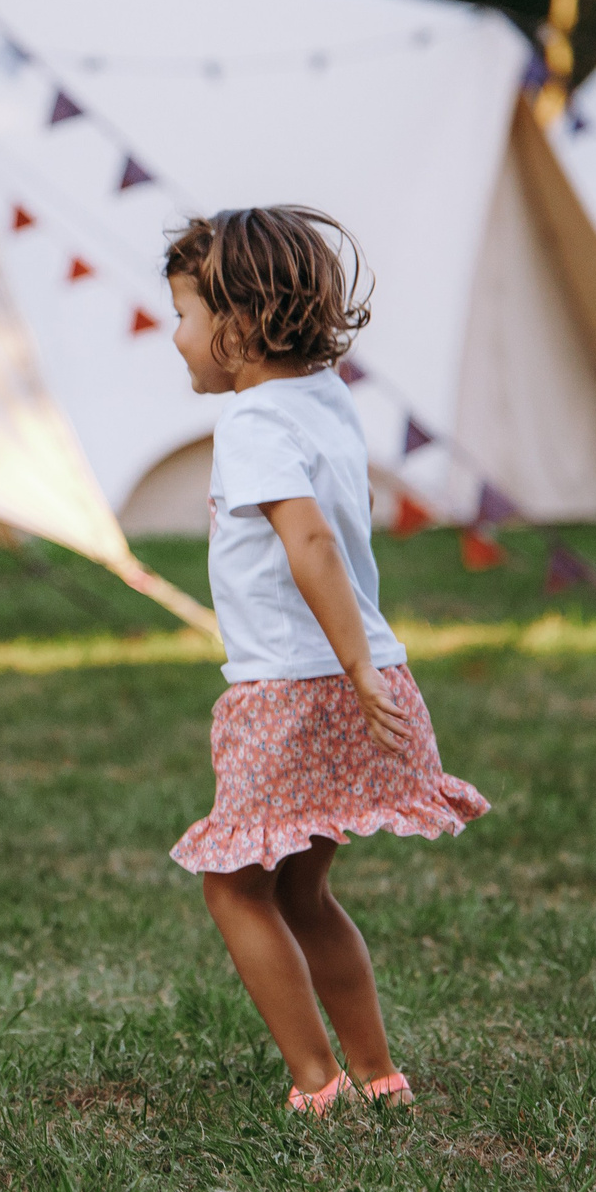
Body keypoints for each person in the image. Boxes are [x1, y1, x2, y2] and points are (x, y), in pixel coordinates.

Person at [161, 207, 488, 1114]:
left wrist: (351, 667)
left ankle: (319, 1084)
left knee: (233, 890)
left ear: (243, 327)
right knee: (301, 891)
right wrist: (368, 667)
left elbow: (309, 542)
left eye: (186, 315)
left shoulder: (252, 421)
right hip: (358, 676)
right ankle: (381, 1077)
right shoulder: (325, 398)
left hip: (297, 692)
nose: (175, 337)